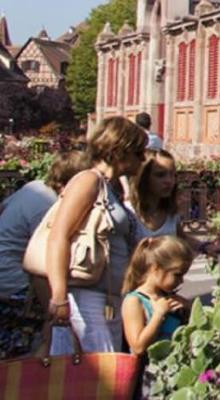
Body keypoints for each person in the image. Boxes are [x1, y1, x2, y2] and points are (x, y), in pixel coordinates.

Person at [46, 117, 145, 355]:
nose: (142, 159)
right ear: (119, 151)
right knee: (95, 378)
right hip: (87, 298)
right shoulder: (88, 181)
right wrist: (59, 298)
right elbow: (59, 235)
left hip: (106, 298)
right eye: (138, 152)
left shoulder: (111, 187)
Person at [0, 151, 93, 358]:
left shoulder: (33, 188)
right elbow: (47, 253)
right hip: (14, 281)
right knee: (37, 331)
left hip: (4, 271)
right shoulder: (50, 205)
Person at [122, 236, 193, 397]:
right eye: (177, 274)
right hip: (149, 378)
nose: (181, 280)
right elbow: (138, 347)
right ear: (155, 268)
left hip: (175, 372)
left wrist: (188, 311)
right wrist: (159, 314)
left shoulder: (168, 298)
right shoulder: (134, 301)